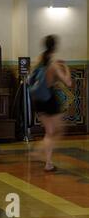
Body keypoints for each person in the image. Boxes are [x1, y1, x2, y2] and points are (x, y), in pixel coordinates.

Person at [30, 35, 72, 172]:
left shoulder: (39, 60)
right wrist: (66, 67)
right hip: (50, 99)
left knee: (49, 131)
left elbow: (32, 79)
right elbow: (68, 82)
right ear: (55, 47)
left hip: (38, 100)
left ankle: (46, 160)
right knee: (58, 131)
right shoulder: (53, 64)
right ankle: (42, 154)